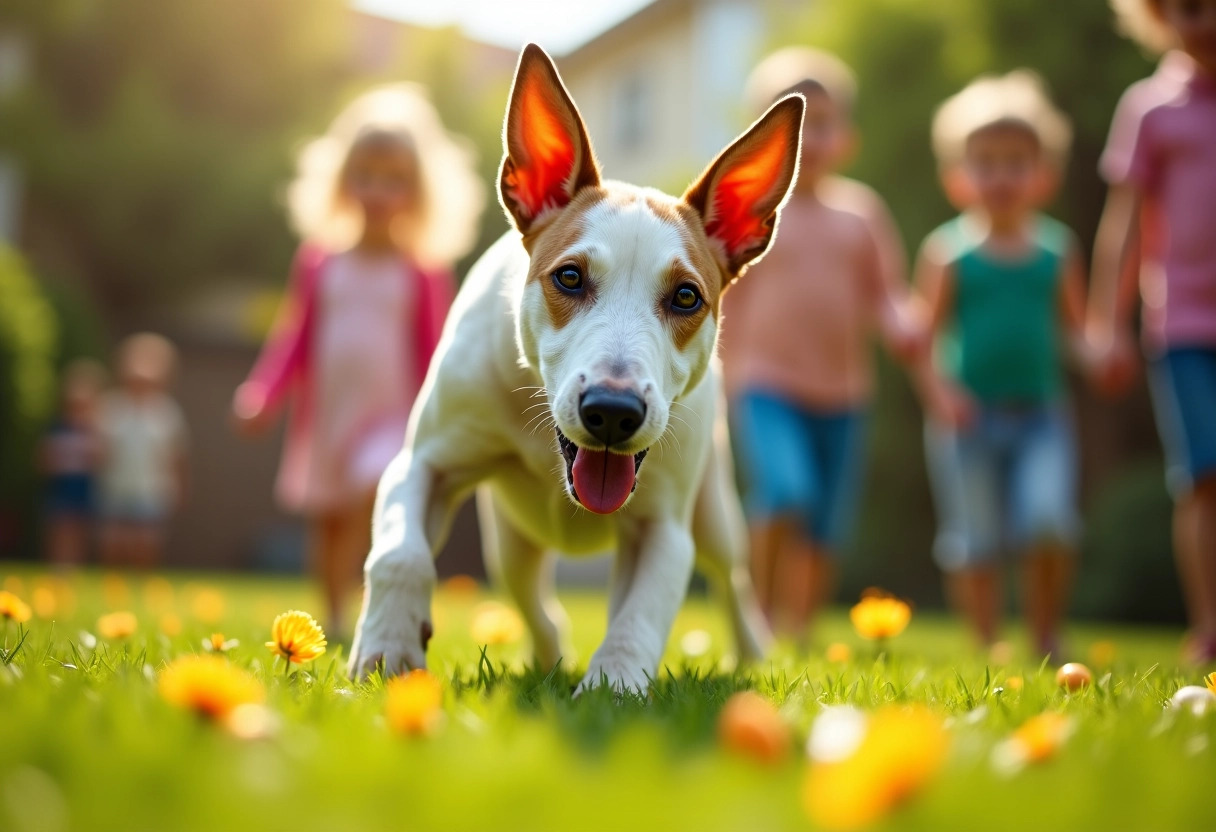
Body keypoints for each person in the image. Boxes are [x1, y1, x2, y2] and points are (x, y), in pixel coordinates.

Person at [233, 85, 484, 633]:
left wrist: (447, 416)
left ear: (415, 193)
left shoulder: (421, 270)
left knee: (377, 495)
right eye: (364, 175)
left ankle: (381, 607)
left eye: (393, 180)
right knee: (328, 522)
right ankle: (333, 614)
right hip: (327, 417)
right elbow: (293, 337)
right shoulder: (321, 261)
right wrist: (263, 394)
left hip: (391, 419)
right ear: (342, 181)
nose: (377, 190)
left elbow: (435, 349)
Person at [720, 48, 921, 640]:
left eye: (823, 123)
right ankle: (756, 613)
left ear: (847, 138)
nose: (809, 138)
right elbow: (722, 298)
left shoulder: (861, 215)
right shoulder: (750, 214)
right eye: (793, 123)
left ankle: (799, 627)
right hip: (764, 383)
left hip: (844, 392)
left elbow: (886, 293)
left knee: (826, 523)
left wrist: (903, 322)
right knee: (785, 491)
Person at [913, 71, 1098, 655]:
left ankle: (1045, 633)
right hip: (967, 420)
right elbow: (924, 341)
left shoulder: (1057, 251)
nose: (1000, 176)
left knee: (1049, 523)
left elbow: (1078, 333)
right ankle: (988, 644)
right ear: (958, 176)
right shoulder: (948, 253)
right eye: (985, 162)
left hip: (1042, 415)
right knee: (975, 540)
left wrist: (1102, 355)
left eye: (1015, 162)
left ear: (1043, 174)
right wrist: (941, 397)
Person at [1090, 0, 1216, 663]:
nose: (1206, 21)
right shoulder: (1151, 108)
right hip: (1185, 323)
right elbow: (1126, 226)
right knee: (1201, 475)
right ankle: (1209, 627)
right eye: (1189, 9)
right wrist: (1107, 323)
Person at [98, 333, 189, 569]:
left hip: (152, 487)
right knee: (114, 539)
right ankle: (114, 583)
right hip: (116, 484)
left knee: (146, 541)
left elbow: (176, 454)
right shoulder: (112, 406)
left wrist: (178, 486)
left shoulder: (166, 412)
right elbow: (101, 445)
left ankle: (142, 583)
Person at [41, 359, 106, 568]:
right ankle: (58, 569)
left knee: (80, 532)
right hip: (61, 486)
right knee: (60, 530)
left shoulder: (96, 431)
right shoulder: (57, 428)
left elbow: (102, 459)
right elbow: (44, 458)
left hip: (85, 487)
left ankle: (75, 569)